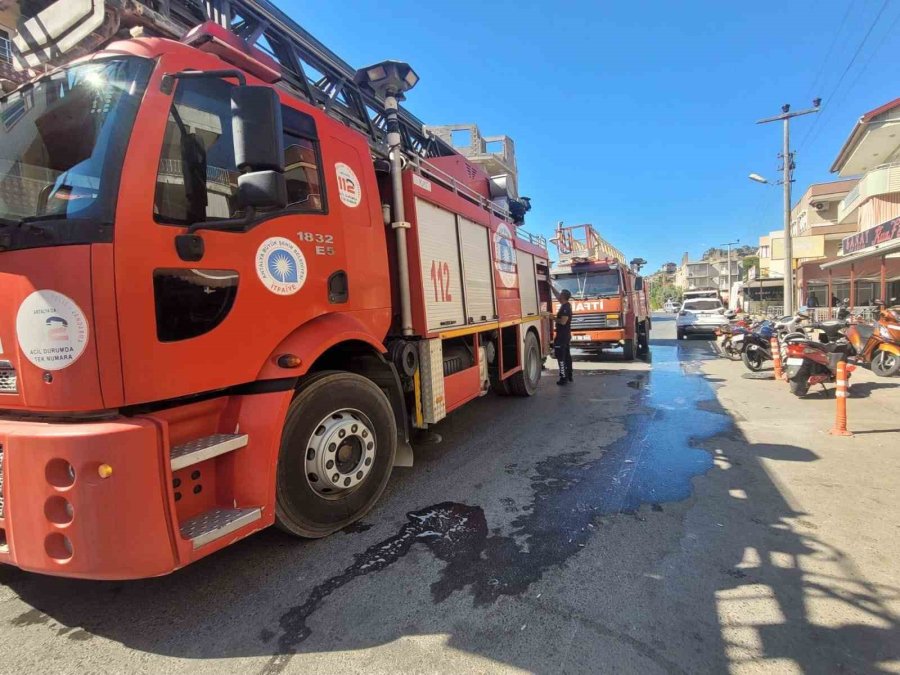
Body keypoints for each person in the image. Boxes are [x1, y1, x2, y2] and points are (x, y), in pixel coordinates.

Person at [552, 287, 573, 385]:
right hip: (565, 335)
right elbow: (557, 295)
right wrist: (550, 286)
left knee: (561, 357)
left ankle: (563, 378)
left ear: (563, 296)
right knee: (567, 356)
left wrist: (552, 318)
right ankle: (569, 376)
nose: (558, 296)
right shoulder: (565, 304)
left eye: (560, 294)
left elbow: (563, 322)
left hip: (562, 336)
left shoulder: (565, 308)